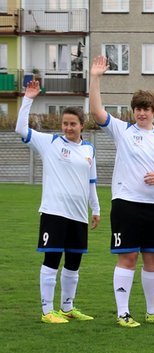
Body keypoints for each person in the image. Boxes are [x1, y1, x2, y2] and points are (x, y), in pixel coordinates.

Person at [89, 56, 154, 327]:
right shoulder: (123, 131)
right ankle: (123, 313)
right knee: (128, 257)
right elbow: (97, 112)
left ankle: (153, 311)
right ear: (133, 111)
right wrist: (95, 78)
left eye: (146, 109)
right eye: (138, 109)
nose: (142, 113)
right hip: (126, 204)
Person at [15, 80, 99, 324]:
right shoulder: (50, 143)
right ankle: (47, 311)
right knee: (52, 260)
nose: (68, 128)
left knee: (73, 263)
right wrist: (28, 99)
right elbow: (20, 129)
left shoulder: (89, 150)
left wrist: (96, 209)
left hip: (79, 216)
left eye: (73, 124)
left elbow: (91, 182)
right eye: (65, 123)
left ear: (82, 125)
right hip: (54, 213)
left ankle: (67, 308)